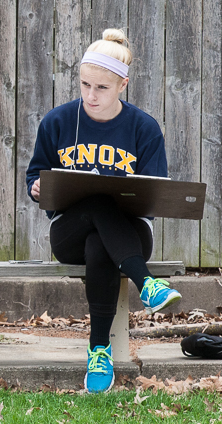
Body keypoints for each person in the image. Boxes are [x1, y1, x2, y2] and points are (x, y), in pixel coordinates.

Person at [25, 28, 180, 394]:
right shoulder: (57, 122)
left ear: (123, 85)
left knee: (101, 236)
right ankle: (148, 285)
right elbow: (36, 177)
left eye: (102, 88)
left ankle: (99, 352)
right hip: (68, 233)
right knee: (94, 200)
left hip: (131, 233)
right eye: (85, 85)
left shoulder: (144, 128)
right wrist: (36, 188)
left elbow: (154, 197)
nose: (90, 96)